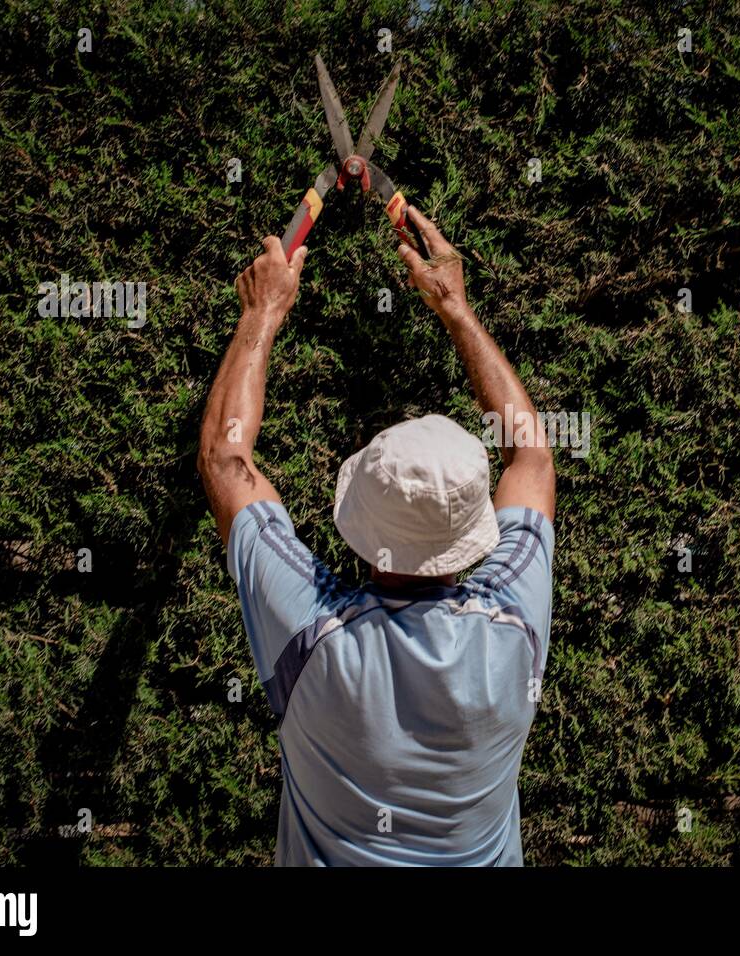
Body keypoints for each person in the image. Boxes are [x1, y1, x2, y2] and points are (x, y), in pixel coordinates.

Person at [197, 206, 556, 866]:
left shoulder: (313, 636)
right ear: (473, 526)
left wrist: (261, 314)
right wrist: (456, 309)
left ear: (359, 519)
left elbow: (226, 460)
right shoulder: (514, 625)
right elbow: (530, 456)